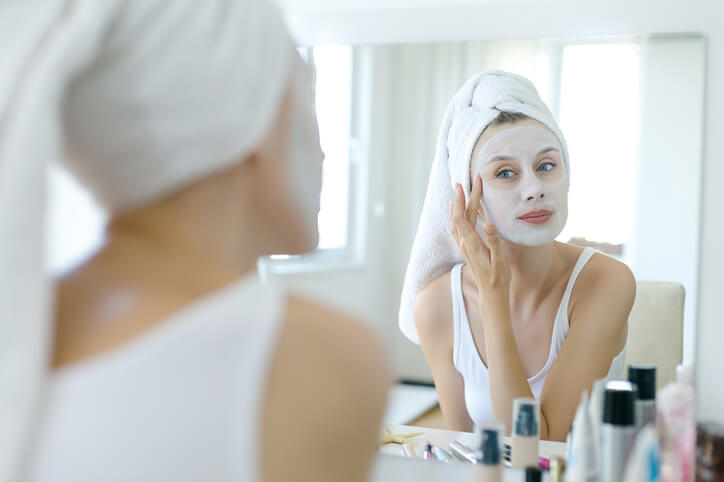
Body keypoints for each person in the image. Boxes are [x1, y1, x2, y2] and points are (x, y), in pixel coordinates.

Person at [0, 1, 390, 481]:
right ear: (251, 121)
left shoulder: (19, 325)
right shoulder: (314, 357)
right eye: (306, 95)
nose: (326, 149)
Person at [398, 71, 634, 441]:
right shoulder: (437, 306)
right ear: (468, 201)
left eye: (546, 166)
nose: (533, 189)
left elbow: (538, 447)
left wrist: (494, 300)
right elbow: (464, 453)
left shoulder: (606, 282)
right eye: (505, 172)